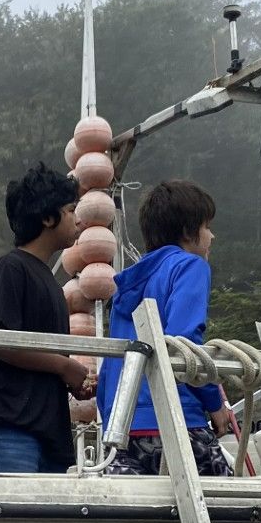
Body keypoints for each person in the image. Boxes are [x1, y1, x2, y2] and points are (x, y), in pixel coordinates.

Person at [97, 180, 235, 476]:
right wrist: (215, 404)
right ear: (188, 231)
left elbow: (110, 367)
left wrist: (114, 422)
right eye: (207, 226)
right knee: (233, 511)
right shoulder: (189, 266)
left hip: (123, 433)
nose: (212, 235)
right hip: (176, 423)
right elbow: (184, 346)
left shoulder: (126, 287)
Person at [0, 163, 94, 474]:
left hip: (49, 434)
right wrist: (65, 365)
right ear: (48, 217)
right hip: (11, 428)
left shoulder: (51, 283)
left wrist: (67, 380)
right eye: (70, 210)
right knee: (13, 521)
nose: (77, 218)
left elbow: (35, 359)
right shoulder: (10, 269)